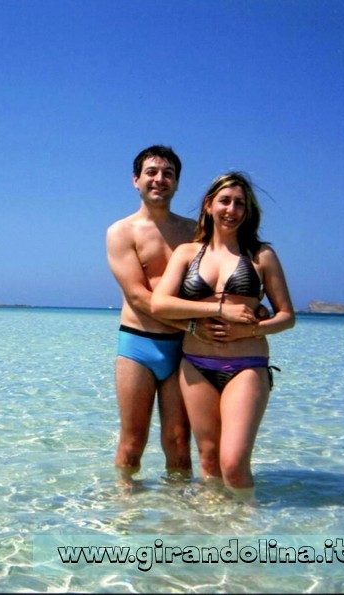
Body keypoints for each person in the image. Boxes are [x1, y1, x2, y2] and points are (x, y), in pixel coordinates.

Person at [151, 172, 295, 492]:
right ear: (209, 205)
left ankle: (247, 532)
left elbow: (287, 316)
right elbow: (159, 304)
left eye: (239, 203)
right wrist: (215, 310)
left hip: (246, 365)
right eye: (225, 201)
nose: (231, 209)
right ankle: (213, 532)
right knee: (209, 458)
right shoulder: (187, 253)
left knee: (233, 463)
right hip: (196, 365)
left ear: (248, 211)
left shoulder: (261, 255)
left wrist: (250, 331)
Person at [106, 145, 218, 480]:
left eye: (168, 173)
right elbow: (140, 298)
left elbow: (222, 269)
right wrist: (197, 324)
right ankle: (124, 518)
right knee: (132, 441)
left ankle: (176, 519)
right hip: (138, 346)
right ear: (135, 180)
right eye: (151, 172)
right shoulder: (120, 232)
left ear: (177, 183)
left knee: (179, 441)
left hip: (183, 348)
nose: (159, 179)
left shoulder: (195, 231)